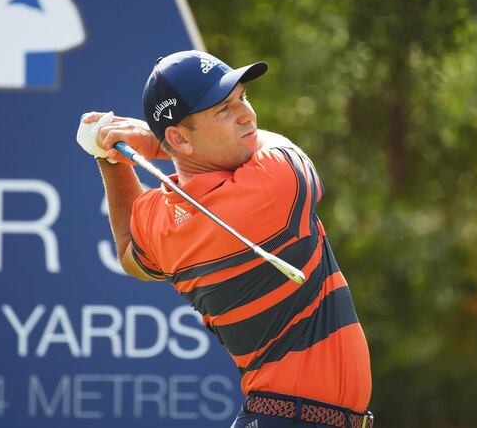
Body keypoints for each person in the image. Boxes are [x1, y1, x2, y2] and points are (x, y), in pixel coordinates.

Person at [77, 50, 373, 428]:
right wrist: (153, 146)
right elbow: (282, 148)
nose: (247, 115)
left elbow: (129, 255)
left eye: (243, 98)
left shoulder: (161, 222)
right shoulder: (272, 187)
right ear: (179, 138)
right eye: (223, 110)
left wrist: (111, 160)